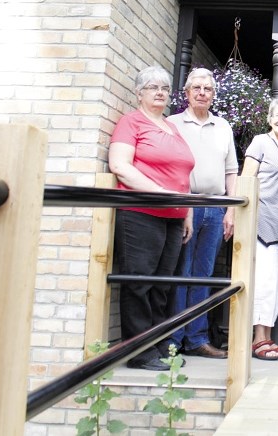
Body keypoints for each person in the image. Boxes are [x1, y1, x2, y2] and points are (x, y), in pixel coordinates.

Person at [109, 65, 195, 371]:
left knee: (161, 286)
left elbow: (184, 175)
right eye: (152, 87)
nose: (159, 93)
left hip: (173, 216)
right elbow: (120, 166)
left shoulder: (172, 127)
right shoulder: (130, 123)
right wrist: (161, 192)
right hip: (141, 213)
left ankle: (159, 346)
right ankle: (139, 352)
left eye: (163, 88)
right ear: (139, 93)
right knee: (140, 283)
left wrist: (187, 212)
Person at [166, 68, 237, 359]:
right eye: (196, 87)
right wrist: (182, 207)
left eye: (207, 89)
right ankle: (173, 340)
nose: (202, 93)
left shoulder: (223, 126)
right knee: (181, 273)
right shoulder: (171, 124)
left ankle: (196, 339)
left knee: (204, 275)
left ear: (214, 94)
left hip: (216, 205)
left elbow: (232, 170)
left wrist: (230, 210)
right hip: (186, 205)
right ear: (186, 93)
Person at [241, 97, 278, 361]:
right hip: (264, 224)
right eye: (277, 115)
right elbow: (246, 181)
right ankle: (259, 340)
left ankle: (266, 339)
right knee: (264, 284)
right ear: (269, 119)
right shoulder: (260, 143)